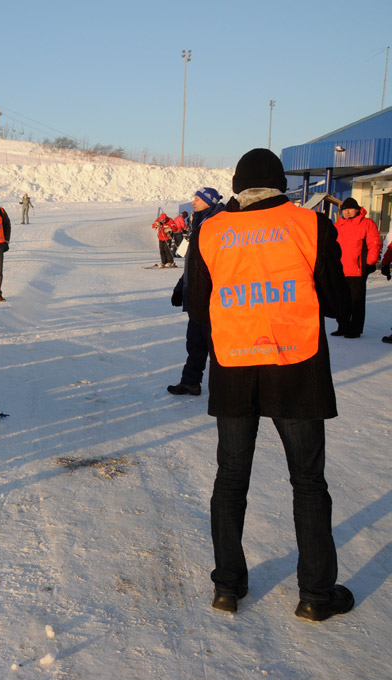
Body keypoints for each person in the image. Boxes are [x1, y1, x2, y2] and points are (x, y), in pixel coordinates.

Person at [187, 148, 354, 620]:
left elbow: (198, 307)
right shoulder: (310, 224)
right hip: (296, 368)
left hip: (234, 368)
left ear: (237, 186)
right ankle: (315, 595)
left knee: (230, 479)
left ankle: (227, 587)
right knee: (308, 483)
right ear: (281, 183)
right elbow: (338, 302)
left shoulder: (211, 230)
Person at [168, 188, 225, 396]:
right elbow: (193, 263)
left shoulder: (218, 224)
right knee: (195, 342)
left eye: (197, 199)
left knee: (217, 345)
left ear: (209, 202)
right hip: (197, 296)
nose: (193, 202)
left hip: (213, 297)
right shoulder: (200, 223)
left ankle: (225, 389)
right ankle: (190, 382)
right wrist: (180, 288)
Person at [331, 197, 379, 338]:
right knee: (341, 300)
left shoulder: (367, 223)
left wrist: (370, 263)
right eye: (344, 209)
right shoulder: (337, 225)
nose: (347, 212)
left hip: (357, 269)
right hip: (340, 269)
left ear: (357, 209)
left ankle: (355, 329)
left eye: (350, 209)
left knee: (356, 301)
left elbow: (374, 244)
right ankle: (343, 326)